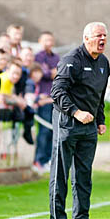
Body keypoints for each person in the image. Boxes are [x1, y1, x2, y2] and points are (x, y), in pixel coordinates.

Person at [49, 22, 109, 219]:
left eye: (104, 36)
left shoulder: (104, 63)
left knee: (84, 176)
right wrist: (76, 112)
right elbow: (56, 93)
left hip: (90, 128)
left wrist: (100, 119)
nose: (102, 40)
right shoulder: (71, 60)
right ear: (86, 38)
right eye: (97, 36)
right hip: (67, 124)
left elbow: (99, 96)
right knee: (61, 174)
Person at [34, 31, 60, 170]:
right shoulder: (38, 57)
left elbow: (59, 73)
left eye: (50, 40)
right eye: (45, 40)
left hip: (55, 101)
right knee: (43, 131)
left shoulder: (56, 57)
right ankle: (39, 160)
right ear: (40, 41)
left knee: (53, 131)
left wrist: (53, 72)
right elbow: (43, 73)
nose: (48, 43)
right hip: (43, 100)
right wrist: (51, 72)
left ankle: (50, 159)